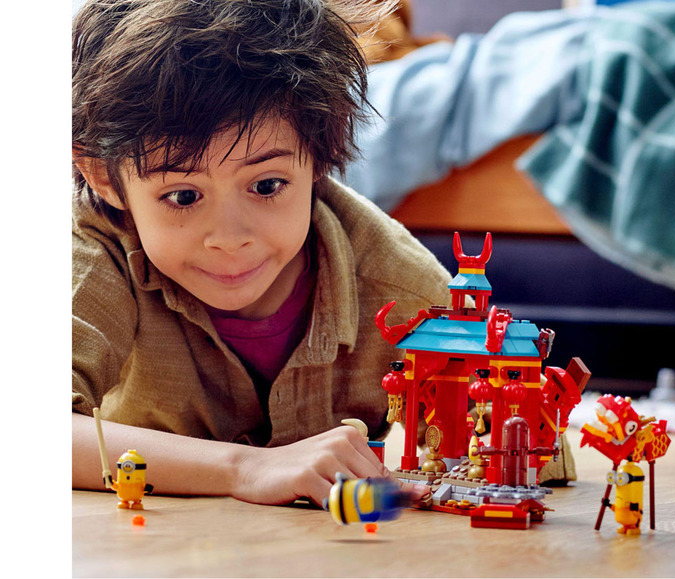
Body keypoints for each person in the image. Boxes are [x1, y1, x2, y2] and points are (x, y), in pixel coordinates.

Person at [71, 0, 451, 507]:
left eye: (267, 185)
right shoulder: (96, 250)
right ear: (103, 177)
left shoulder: (409, 293)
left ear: (318, 157)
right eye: (183, 196)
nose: (229, 238)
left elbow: (511, 443)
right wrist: (245, 468)